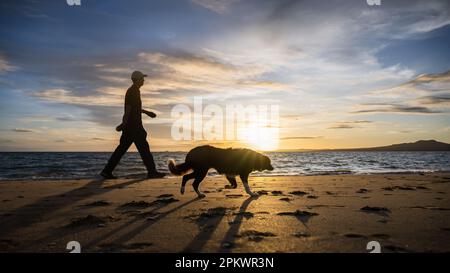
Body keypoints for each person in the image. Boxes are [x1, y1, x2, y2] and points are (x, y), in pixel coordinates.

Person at [100, 70, 166, 179]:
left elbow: (135, 108)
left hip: (130, 127)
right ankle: (152, 172)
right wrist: (123, 124)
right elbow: (128, 109)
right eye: (142, 78)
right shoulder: (133, 91)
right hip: (134, 126)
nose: (144, 80)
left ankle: (107, 171)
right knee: (144, 149)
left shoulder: (134, 91)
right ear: (137, 80)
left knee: (121, 150)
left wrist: (146, 112)